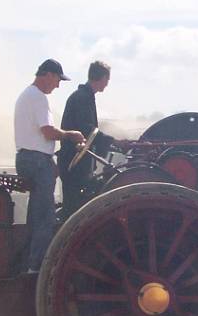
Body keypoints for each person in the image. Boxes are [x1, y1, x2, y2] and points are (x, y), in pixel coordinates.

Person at [14, 59, 85, 274]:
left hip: (28, 158)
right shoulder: (38, 97)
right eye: (57, 80)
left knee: (35, 214)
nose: (58, 85)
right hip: (37, 161)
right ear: (49, 75)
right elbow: (47, 131)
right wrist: (70, 135)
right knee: (45, 216)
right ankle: (37, 268)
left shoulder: (27, 95)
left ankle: (29, 261)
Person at [57, 60, 119, 217]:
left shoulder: (84, 96)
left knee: (74, 206)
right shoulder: (82, 98)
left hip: (75, 164)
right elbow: (88, 130)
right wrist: (114, 142)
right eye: (107, 80)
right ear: (102, 78)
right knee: (73, 208)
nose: (107, 84)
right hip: (74, 165)